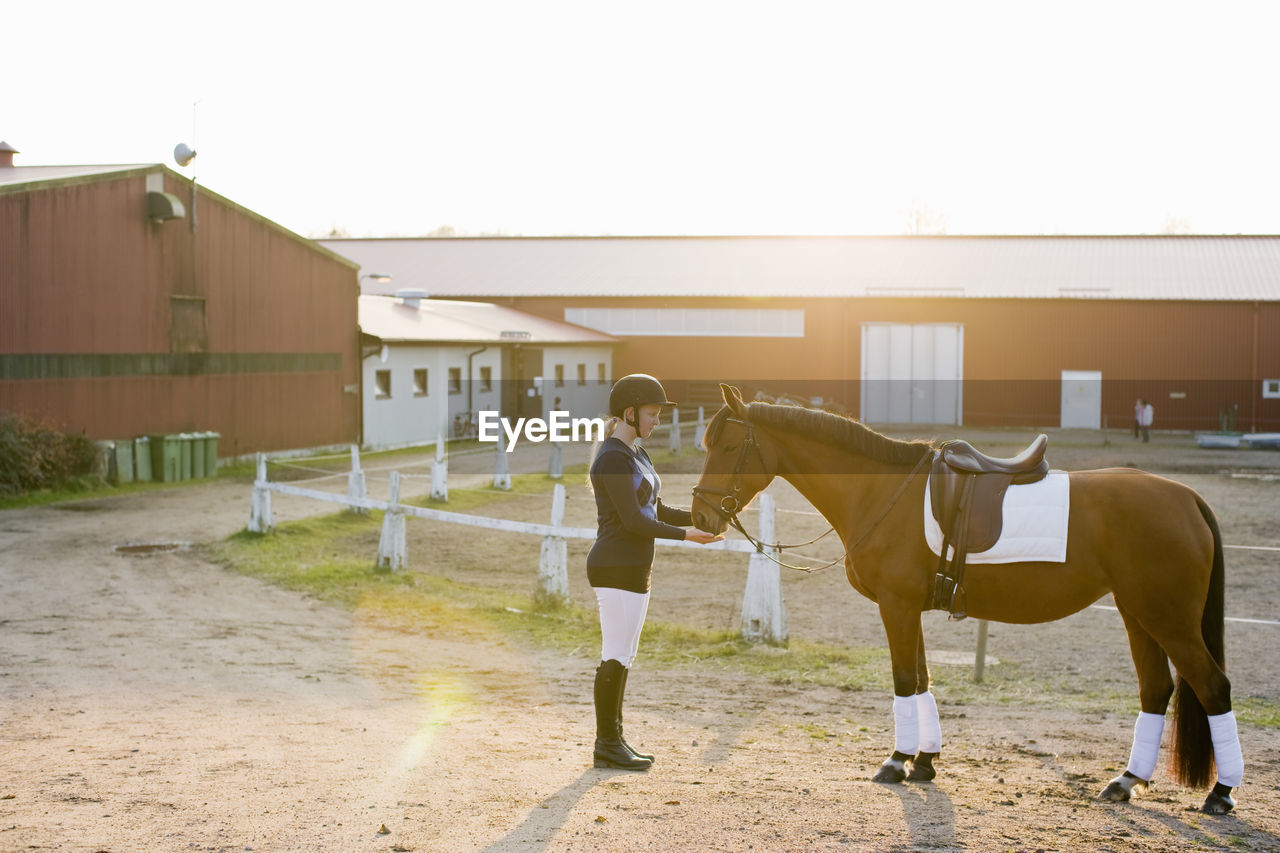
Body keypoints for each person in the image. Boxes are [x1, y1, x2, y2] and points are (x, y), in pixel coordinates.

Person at [587, 374, 722, 770]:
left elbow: (655, 510)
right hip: (615, 565)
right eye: (652, 412)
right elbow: (632, 520)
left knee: (624, 655)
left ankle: (614, 741)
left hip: (633, 567)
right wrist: (686, 536)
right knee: (615, 654)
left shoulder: (637, 454)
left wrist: (707, 519)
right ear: (629, 412)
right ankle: (606, 744)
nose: (657, 420)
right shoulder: (612, 457)